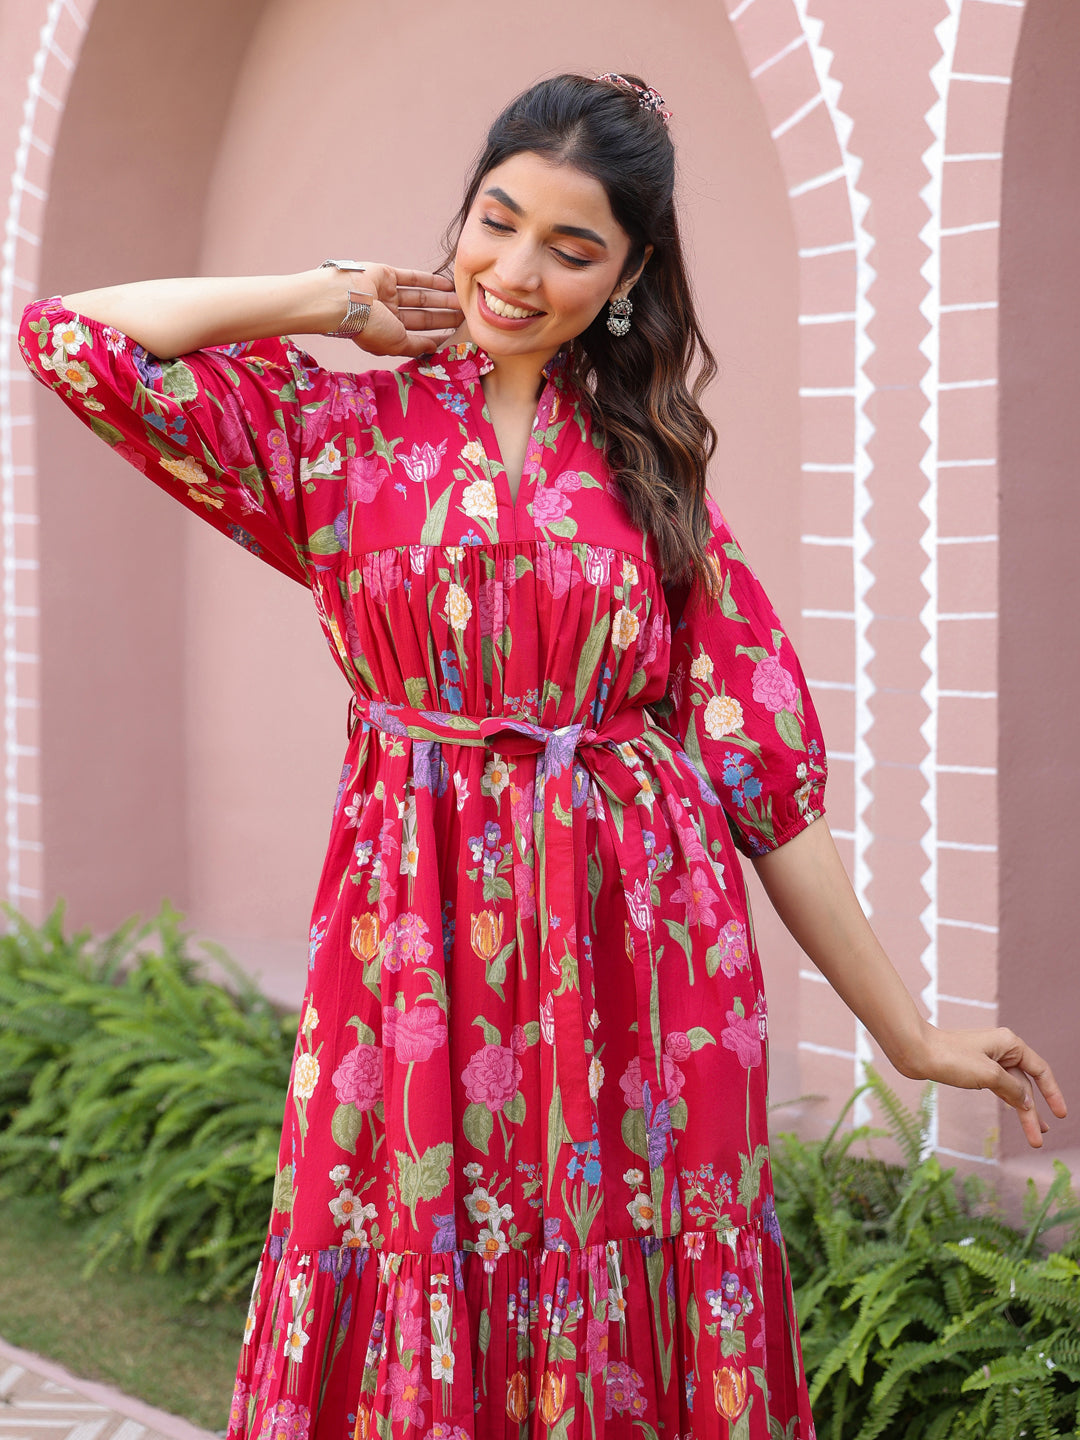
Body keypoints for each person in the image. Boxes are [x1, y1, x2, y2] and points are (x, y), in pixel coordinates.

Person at [20, 70, 1065, 1440]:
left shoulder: (652, 469)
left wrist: (908, 1035)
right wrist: (329, 298)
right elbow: (71, 341)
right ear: (462, 217)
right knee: (407, 1247)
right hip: (412, 952)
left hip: (645, 958)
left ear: (629, 274)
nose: (518, 270)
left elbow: (763, 783)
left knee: (630, 1271)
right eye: (497, 221)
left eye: (573, 249)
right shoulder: (341, 434)